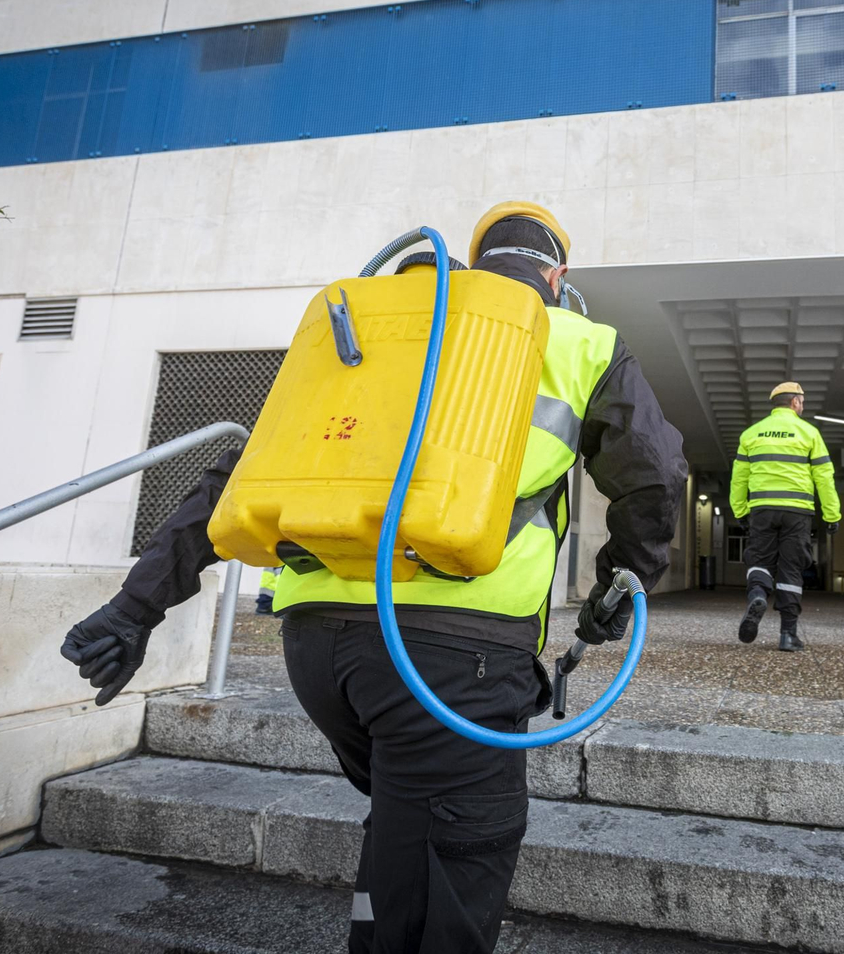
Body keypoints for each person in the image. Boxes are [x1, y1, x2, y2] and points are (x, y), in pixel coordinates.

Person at [59, 201, 688, 954]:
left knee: (407, 832)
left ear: (478, 261)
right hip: (455, 656)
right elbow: (655, 477)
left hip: (318, 648)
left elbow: (233, 479)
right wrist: (618, 587)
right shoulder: (580, 341)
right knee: (453, 866)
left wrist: (136, 607)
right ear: (557, 277)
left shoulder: (374, 335)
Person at [728, 381, 841, 651]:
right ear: (794, 402)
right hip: (797, 511)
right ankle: (788, 634)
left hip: (762, 509)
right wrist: (831, 514)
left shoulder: (751, 434)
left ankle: (757, 595)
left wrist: (741, 511)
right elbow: (824, 477)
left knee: (759, 559)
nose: (802, 405)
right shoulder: (809, 432)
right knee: (791, 567)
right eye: (802, 401)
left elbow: (738, 479)